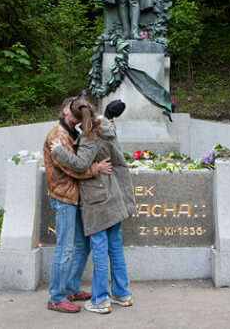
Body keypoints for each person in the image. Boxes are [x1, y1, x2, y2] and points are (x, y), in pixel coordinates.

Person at [50, 98, 136, 314]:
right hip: (112, 192)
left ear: (79, 119)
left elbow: (80, 164)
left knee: (99, 246)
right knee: (115, 245)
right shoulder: (105, 126)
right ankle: (121, 293)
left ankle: (100, 299)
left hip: (98, 197)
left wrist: (60, 151)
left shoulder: (90, 136)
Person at [43, 97, 113, 313]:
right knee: (65, 248)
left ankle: (71, 288)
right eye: (75, 114)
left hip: (74, 196)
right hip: (64, 197)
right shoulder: (58, 135)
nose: (77, 119)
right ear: (65, 110)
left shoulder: (72, 132)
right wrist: (96, 169)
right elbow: (72, 168)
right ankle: (56, 297)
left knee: (83, 244)